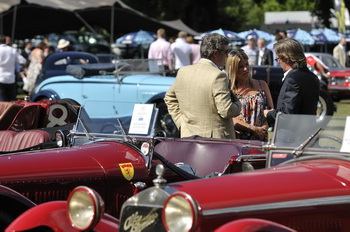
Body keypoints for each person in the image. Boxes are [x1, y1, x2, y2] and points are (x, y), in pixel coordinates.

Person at [164, 33, 241, 139]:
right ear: (216, 53)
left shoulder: (183, 72)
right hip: (215, 142)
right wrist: (238, 104)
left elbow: (169, 97)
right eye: (226, 52)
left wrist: (181, 122)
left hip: (188, 137)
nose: (227, 56)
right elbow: (226, 111)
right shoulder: (219, 75)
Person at [264, 38, 320, 127]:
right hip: (309, 132)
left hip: (291, 136)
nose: (278, 62)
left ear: (285, 58)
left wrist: (268, 114)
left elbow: (286, 114)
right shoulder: (312, 76)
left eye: (278, 58)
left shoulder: (292, 79)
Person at [226, 49, 274, 141]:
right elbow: (228, 118)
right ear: (233, 69)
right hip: (238, 141)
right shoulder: (229, 89)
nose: (246, 69)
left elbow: (270, 112)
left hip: (261, 139)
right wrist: (253, 129)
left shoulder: (262, 85)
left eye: (247, 64)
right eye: (241, 66)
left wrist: (262, 130)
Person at [0, 35, 26, 101]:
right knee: (12, 100)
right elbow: (23, 61)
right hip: (11, 78)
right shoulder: (13, 50)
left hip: (1, 78)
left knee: (2, 100)